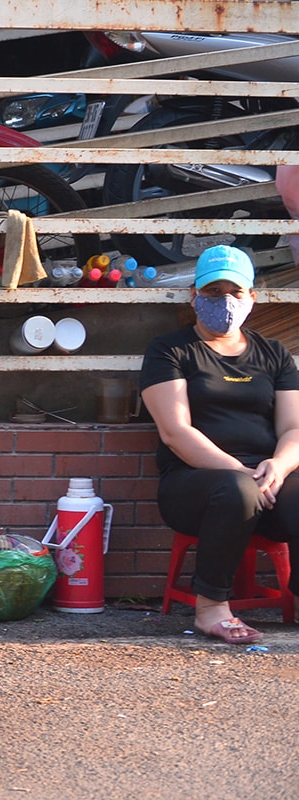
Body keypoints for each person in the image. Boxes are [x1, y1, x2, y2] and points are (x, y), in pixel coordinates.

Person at [140, 244, 299, 644]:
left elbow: (294, 427)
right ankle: (211, 608)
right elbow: (175, 432)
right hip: (195, 484)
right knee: (236, 489)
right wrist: (241, 471)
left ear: (252, 298)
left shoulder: (274, 353)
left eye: (235, 292)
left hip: (268, 481)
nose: (224, 302)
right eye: (213, 292)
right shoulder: (170, 350)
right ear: (194, 296)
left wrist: (277, 467)